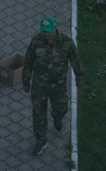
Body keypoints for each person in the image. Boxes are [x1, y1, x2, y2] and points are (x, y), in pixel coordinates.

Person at [23, 17, 83, 156]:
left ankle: (57, 117)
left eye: (49, 31)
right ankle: (40, 140)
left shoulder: (66, 42)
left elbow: (75, 59)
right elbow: (29, 62)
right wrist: (26, 81)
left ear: (55, 28)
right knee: (38, 113)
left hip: (58, 85)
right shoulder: (36, 42)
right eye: (44, 32)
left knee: (62, 107)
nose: (46, 34)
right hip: (39, 85)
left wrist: (79, 76)